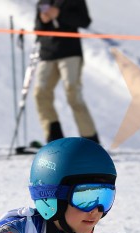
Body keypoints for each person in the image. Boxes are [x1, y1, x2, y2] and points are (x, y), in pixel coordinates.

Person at [33, 0, 99, 144]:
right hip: (47, 53)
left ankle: (90, 139)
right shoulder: (43, 1)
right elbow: (37, 29)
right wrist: (43, 21)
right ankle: (54, 137)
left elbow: (85, 21)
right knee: (40, 93)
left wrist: (60, 14)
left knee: (72, 93)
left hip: (70, 52)